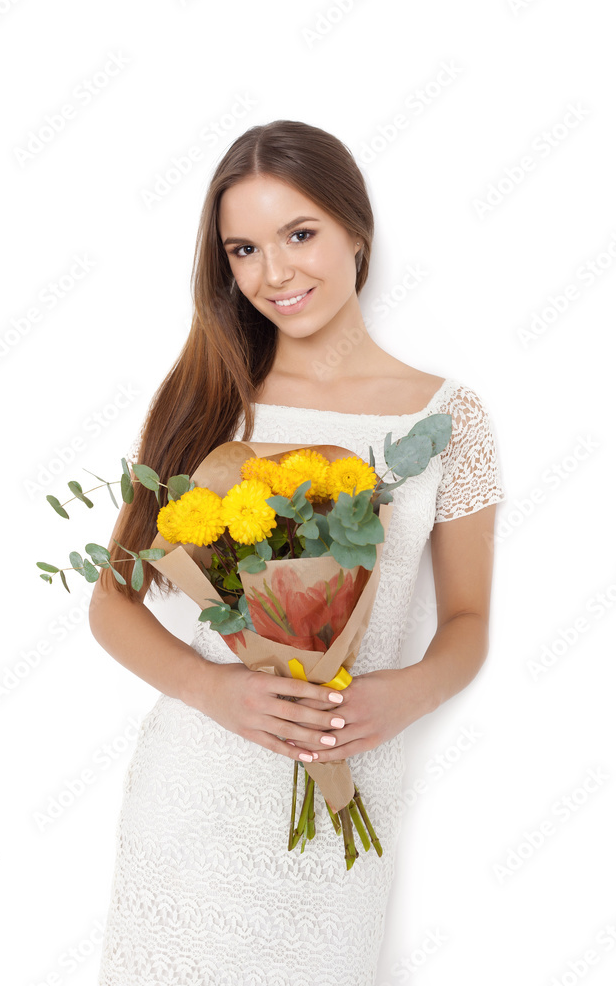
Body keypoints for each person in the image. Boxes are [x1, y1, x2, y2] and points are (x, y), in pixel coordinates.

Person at [92, 119, 505, 986]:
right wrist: (214, 688)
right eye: (243, 248)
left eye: (300, 234)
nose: (274, 273)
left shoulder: (446, 421)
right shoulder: (208, 402)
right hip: (195, 790)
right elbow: (112, 601)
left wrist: (405, 695)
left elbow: (466, 621)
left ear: (356, 229)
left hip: (351, 776)